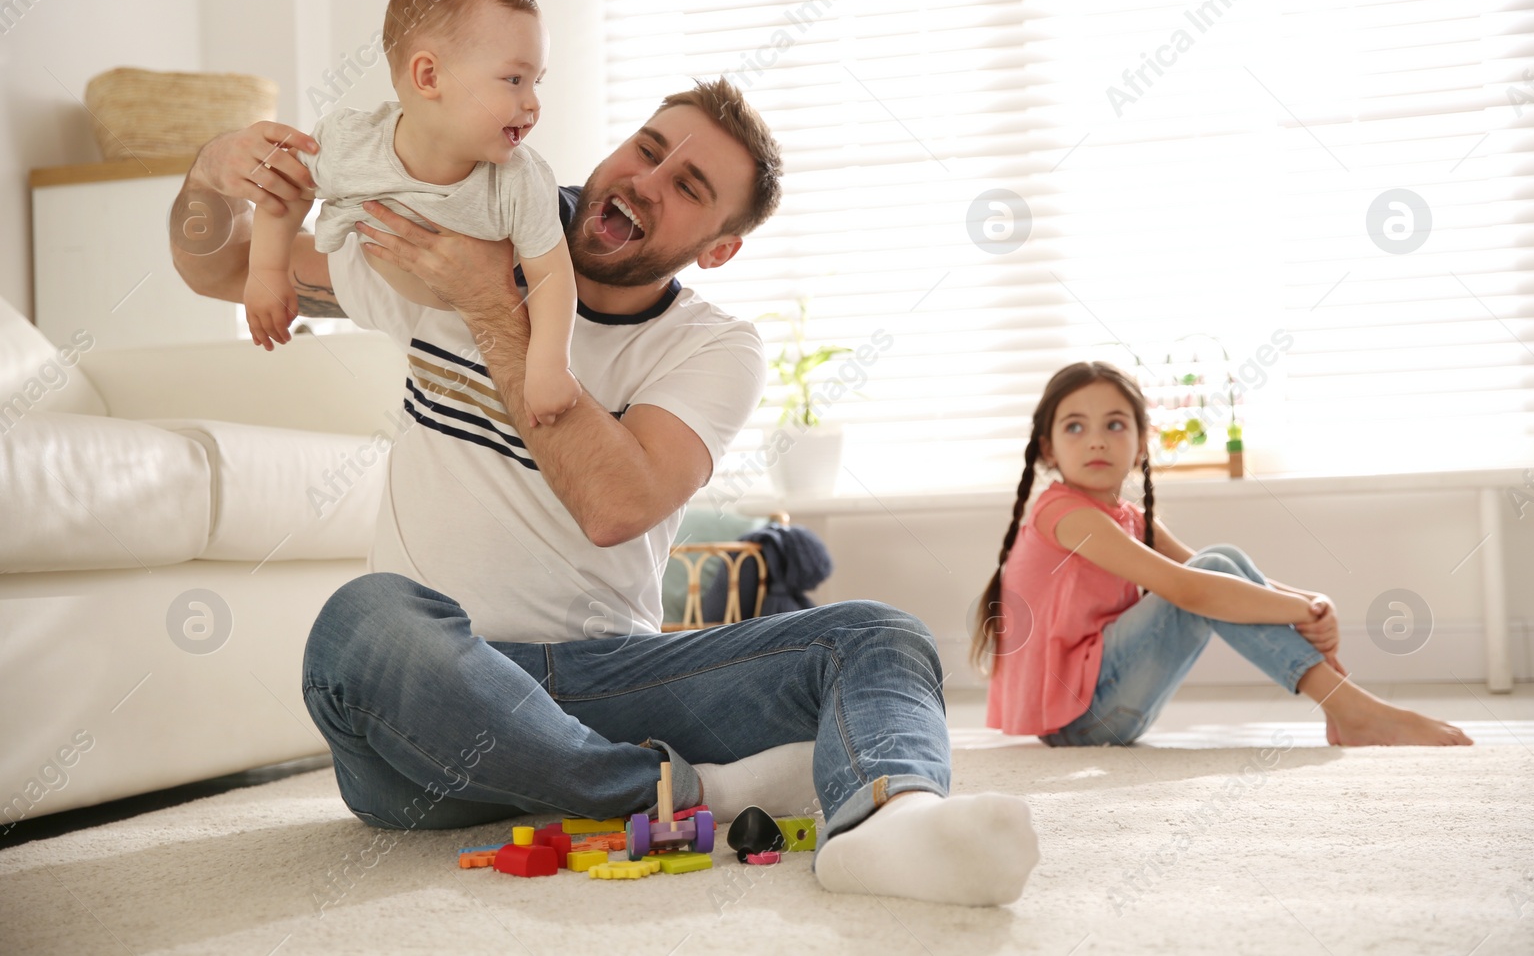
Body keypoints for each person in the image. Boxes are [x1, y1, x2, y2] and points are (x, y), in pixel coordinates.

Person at [168, 77, 1040, 906]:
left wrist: (489, 309)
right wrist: (212, 169)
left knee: (877, 635)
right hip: (430, 706)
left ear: (719, 246)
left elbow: (613, 504)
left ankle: (895, 826)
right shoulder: (478, 216)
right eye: (647, 148)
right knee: (364, 622)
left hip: (604, 680)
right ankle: (681, 789)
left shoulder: (712, 348)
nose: (645, 181)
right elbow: (217, 268)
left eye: (689, 184)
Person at [976, 360, 1473, 748]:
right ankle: (1352, 709)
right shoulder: (1066, 514)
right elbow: (1191, 587)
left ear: (1143, 444)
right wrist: (1299, 612)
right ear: (1048, 448)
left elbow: (1215, 569)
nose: (1098, 441)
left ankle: (1349, 709)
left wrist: (1314, 600)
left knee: (1220, 556)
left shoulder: (1125, 516)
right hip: (1080, 721)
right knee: (1210, 572)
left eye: (1115, 425)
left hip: (1106, 708)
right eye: (1076, 428)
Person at [244, 0, 580, 429]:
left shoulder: (520, 179)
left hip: (490, 315)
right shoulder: (350, 144)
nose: (533, 103)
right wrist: (266, 272)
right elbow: (286, 190)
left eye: (536, 82)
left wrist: (549, 365)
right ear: (429, 77)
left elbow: (551, 275)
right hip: (384, 292)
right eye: (514, 79)